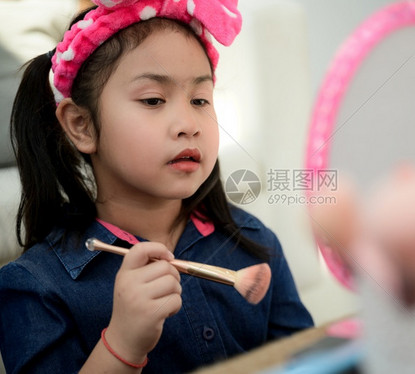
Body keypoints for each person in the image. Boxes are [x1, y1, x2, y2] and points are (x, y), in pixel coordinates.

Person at [0, 0, 313, 372]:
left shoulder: (254, 241)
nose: (188, 123)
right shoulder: (34, 287)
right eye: (153, 100)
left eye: (200, 99)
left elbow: (313, 360)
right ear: (81, 125)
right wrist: (122, 344)